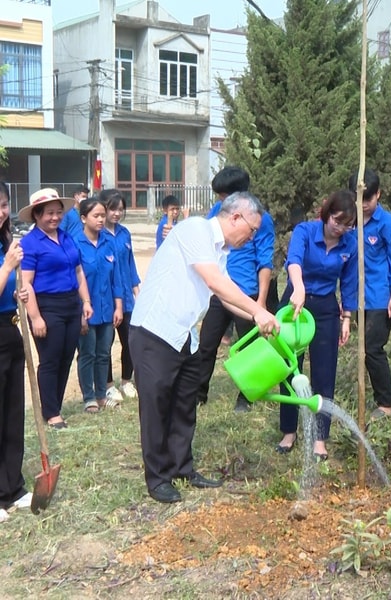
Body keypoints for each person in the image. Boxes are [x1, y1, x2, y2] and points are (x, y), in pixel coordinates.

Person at [129, 191, 278, 504]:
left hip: (184, 336)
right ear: (235, 216)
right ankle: (157, 479)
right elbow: (214, 283)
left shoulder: (219, 251)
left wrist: (260, 318)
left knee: (184, 404)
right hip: (155, 331)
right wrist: (258, 311)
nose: (251, 238)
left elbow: (225, 296)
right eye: (252, 230)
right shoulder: (195, 229)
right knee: (157, 408)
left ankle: (183, 468)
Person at [276, 190, 358, 460]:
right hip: (294, 305)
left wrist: (346, 317)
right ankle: (289, 432)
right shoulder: (305, 231)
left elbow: (348, 283)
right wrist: (297, 288)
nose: (341, 228)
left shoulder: (350, 244)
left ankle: (320, 438)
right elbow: (294, 262)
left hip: (324, 308)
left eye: (347, 225)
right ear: (326, 214)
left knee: (325, 373)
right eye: (337, 221)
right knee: (290, 370)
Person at [196, 166, 275, 412]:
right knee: (207, 342)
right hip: (220, 291)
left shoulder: (261, 220)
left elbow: (265, 262)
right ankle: (198, 393)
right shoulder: (217, 213)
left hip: (247, 295)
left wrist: (260, 302)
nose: (220, 202)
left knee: (250, 347)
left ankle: (247, 396)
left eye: (223, 197)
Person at [19, 189, 93, 429]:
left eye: (59, 213)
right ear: (37, 215)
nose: (55, 217)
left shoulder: (66, 237)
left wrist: (86, 303)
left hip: (72, 303)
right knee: (50, 360)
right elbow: (26, 283)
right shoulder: (30, 243)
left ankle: (55, 406)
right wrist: (36, 317)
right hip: (47, 306)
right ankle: (50, 413)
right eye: (49, 213)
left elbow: (78, 271)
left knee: (66, 357)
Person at [349, 169, 391, 421]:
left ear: (378, 196)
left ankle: (385, 403)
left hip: (381, 297)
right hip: (359, 297)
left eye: (368, 200)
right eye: (358, 199)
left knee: (373, 348)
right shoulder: (350, 220)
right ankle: (371, 393)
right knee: (363, 347)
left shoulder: (388, 224)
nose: (363, 205)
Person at [73, 197, 124, 413]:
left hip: (107, 310)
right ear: (84, 218)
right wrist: (80, 313)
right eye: (96, 216)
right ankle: (89, 397)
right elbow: (74, 281)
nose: (101, 219)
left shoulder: (108, 242)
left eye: (103, 215)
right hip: (86, 310)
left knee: (104, 353)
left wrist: (119, 307)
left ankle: (102, 394)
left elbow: (117, 278)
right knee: (87, 354)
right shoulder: (75, 243)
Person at [0, 181, 32, 521]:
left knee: (12, 414)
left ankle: (12, 487)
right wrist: (7, 267)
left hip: (10, 330)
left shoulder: (5, 241)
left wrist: (17, 294)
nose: (2, 212)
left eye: (5, 204)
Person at [101, 189, 141, 405]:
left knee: (131, 341)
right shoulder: (98, 234)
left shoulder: (124, 233)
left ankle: (127, 380)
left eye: (120, 209)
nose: (116, 213)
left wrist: (137, 292)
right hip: (106, 300)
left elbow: (130, 264)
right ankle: (108, 386)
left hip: (126, 299)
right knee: (106, 344)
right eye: (112, 209)